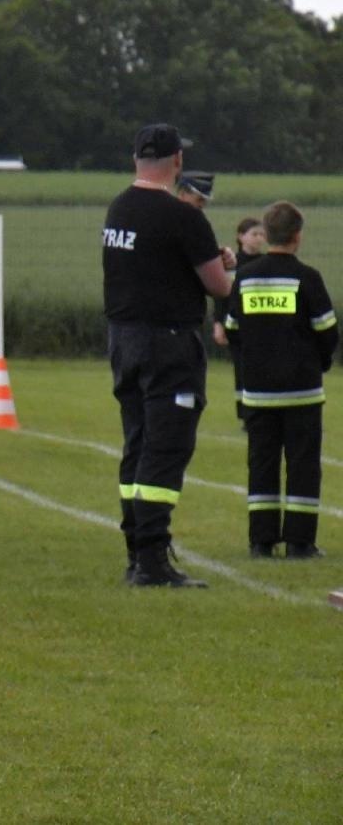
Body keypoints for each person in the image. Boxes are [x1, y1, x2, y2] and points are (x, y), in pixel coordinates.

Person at [102, 124, 235, 588]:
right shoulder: (183, 217)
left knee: (136, 442)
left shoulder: (119, 208)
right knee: (166, 445)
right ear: (177, 161)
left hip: (124, 338)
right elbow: (218, 285)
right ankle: (154, 560)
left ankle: (136, 549)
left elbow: (150, 263)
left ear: (136, 159)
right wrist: (225, 266)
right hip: (168, 342)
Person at [224, 201, 336, 559]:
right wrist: (317, 363)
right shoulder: (308, 277)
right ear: (297, 236)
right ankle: (300, 542)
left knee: (262, 463)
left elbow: (233, 330)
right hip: (302, 390)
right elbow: (327, 331)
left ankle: (261, 540)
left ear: (267, 235)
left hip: (258, 392)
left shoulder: (244, 277)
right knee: (303, 465)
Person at [212, 217, 267, 423]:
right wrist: (219, 323)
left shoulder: (266, 262)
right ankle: (244, 413)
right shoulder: (231, 263)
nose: (259, 239)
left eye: (262, 234)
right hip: (236, 325)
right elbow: (221, 296)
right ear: (240, 236)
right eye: (254, 234)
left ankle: (260, 410)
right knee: (242, 369)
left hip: (260, 325)